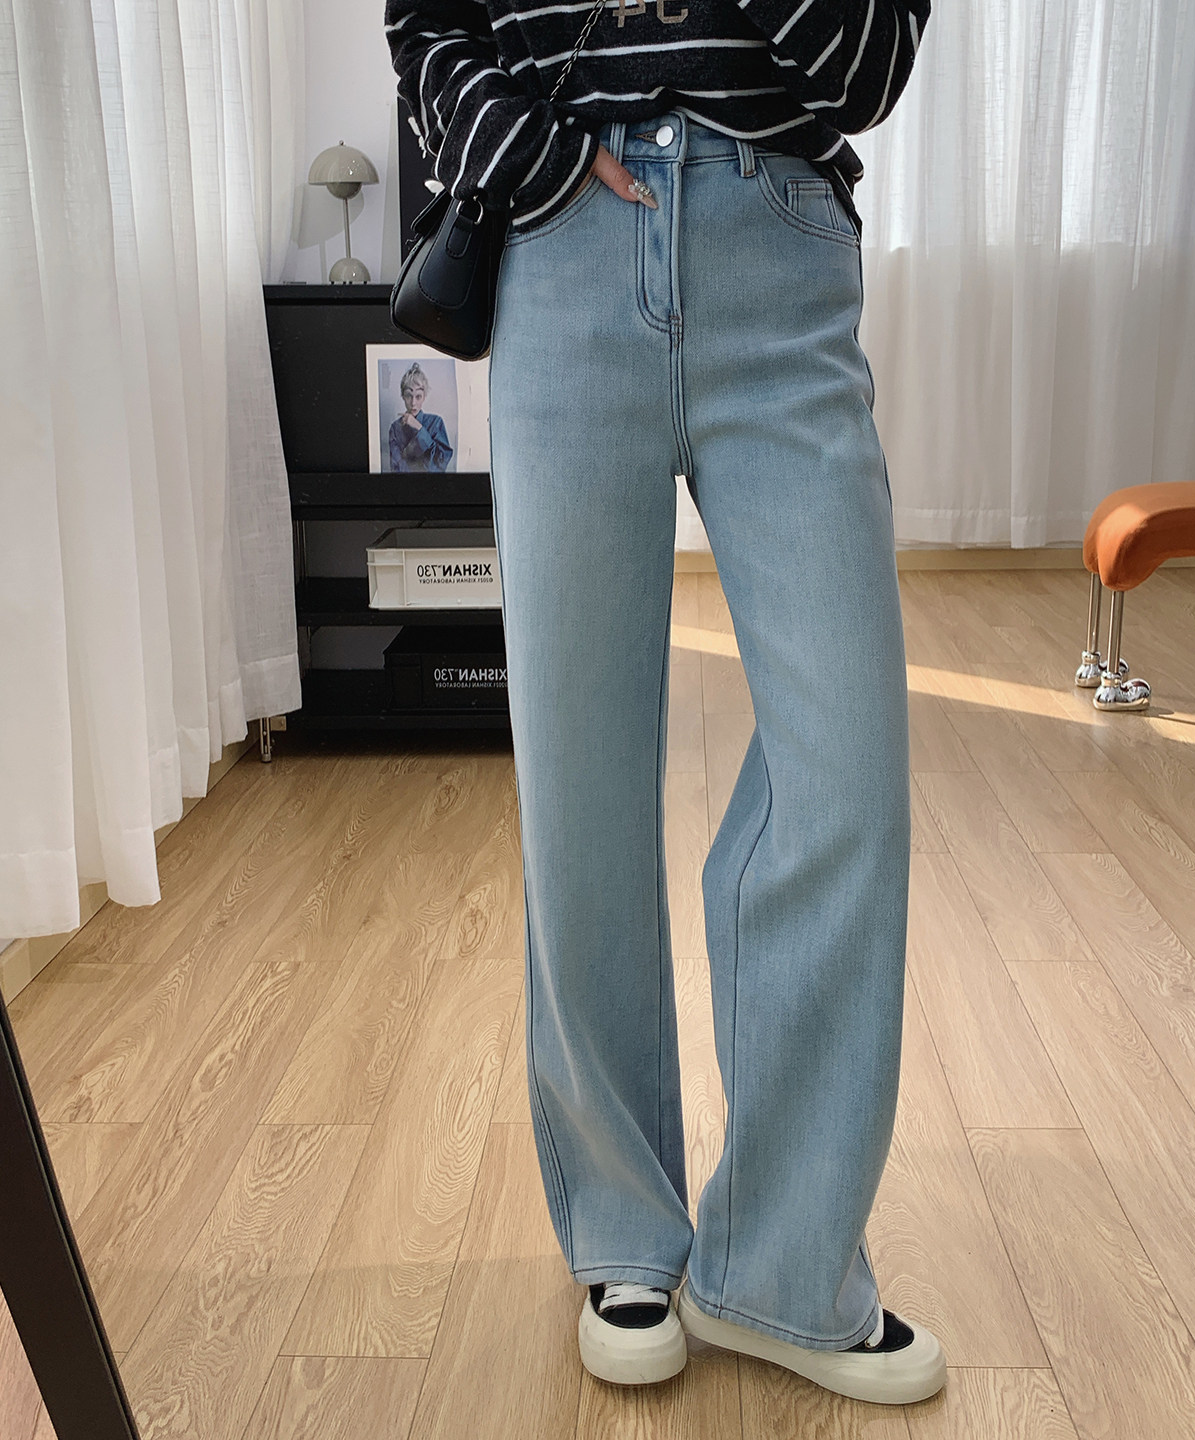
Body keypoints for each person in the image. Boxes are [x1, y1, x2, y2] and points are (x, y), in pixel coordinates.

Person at [385, 0, 944, 1408]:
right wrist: (534, 163)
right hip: (566, 253)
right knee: (577, 784)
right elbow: (427, 27)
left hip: (780, 248)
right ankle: (625, 1230)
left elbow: (867, 62)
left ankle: (782, 1268)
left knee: (847, 776)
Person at [388, 361, 454, 472]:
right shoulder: (395, 428)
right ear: (403, 396)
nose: (413, 403)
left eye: (418, 396)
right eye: (409, 396)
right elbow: (396, 468)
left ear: (424, 397)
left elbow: (442, 463)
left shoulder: (436, 422)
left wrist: (419, 428)